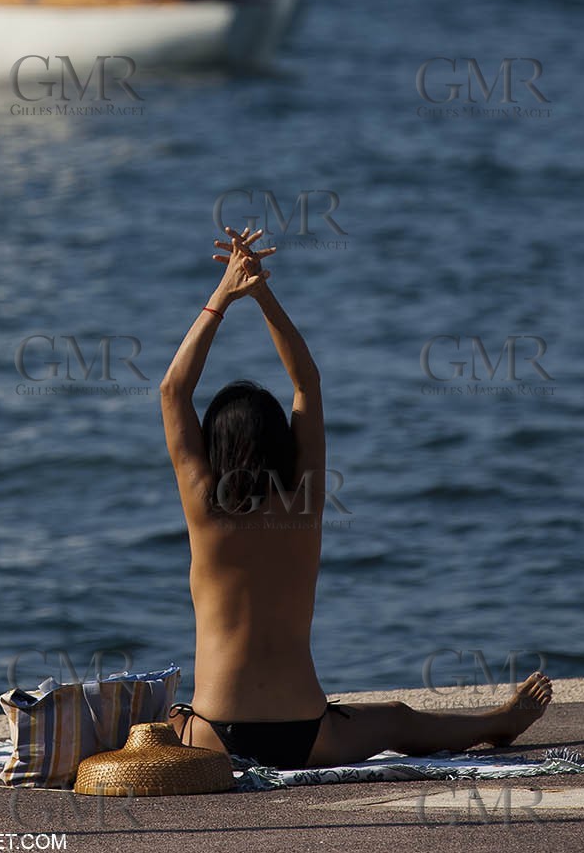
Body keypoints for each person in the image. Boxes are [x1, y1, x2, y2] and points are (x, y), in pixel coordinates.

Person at [159, 226, 553, 769]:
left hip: (213, 736)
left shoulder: (206, 509)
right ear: (279, 443)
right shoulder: (304, 503)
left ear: (216, 450)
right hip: (308, 734)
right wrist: (262, 292)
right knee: (396, 718)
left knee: (152, 719)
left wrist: (221, 297)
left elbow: (172, 391)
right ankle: (497, 723)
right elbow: (307, 385)